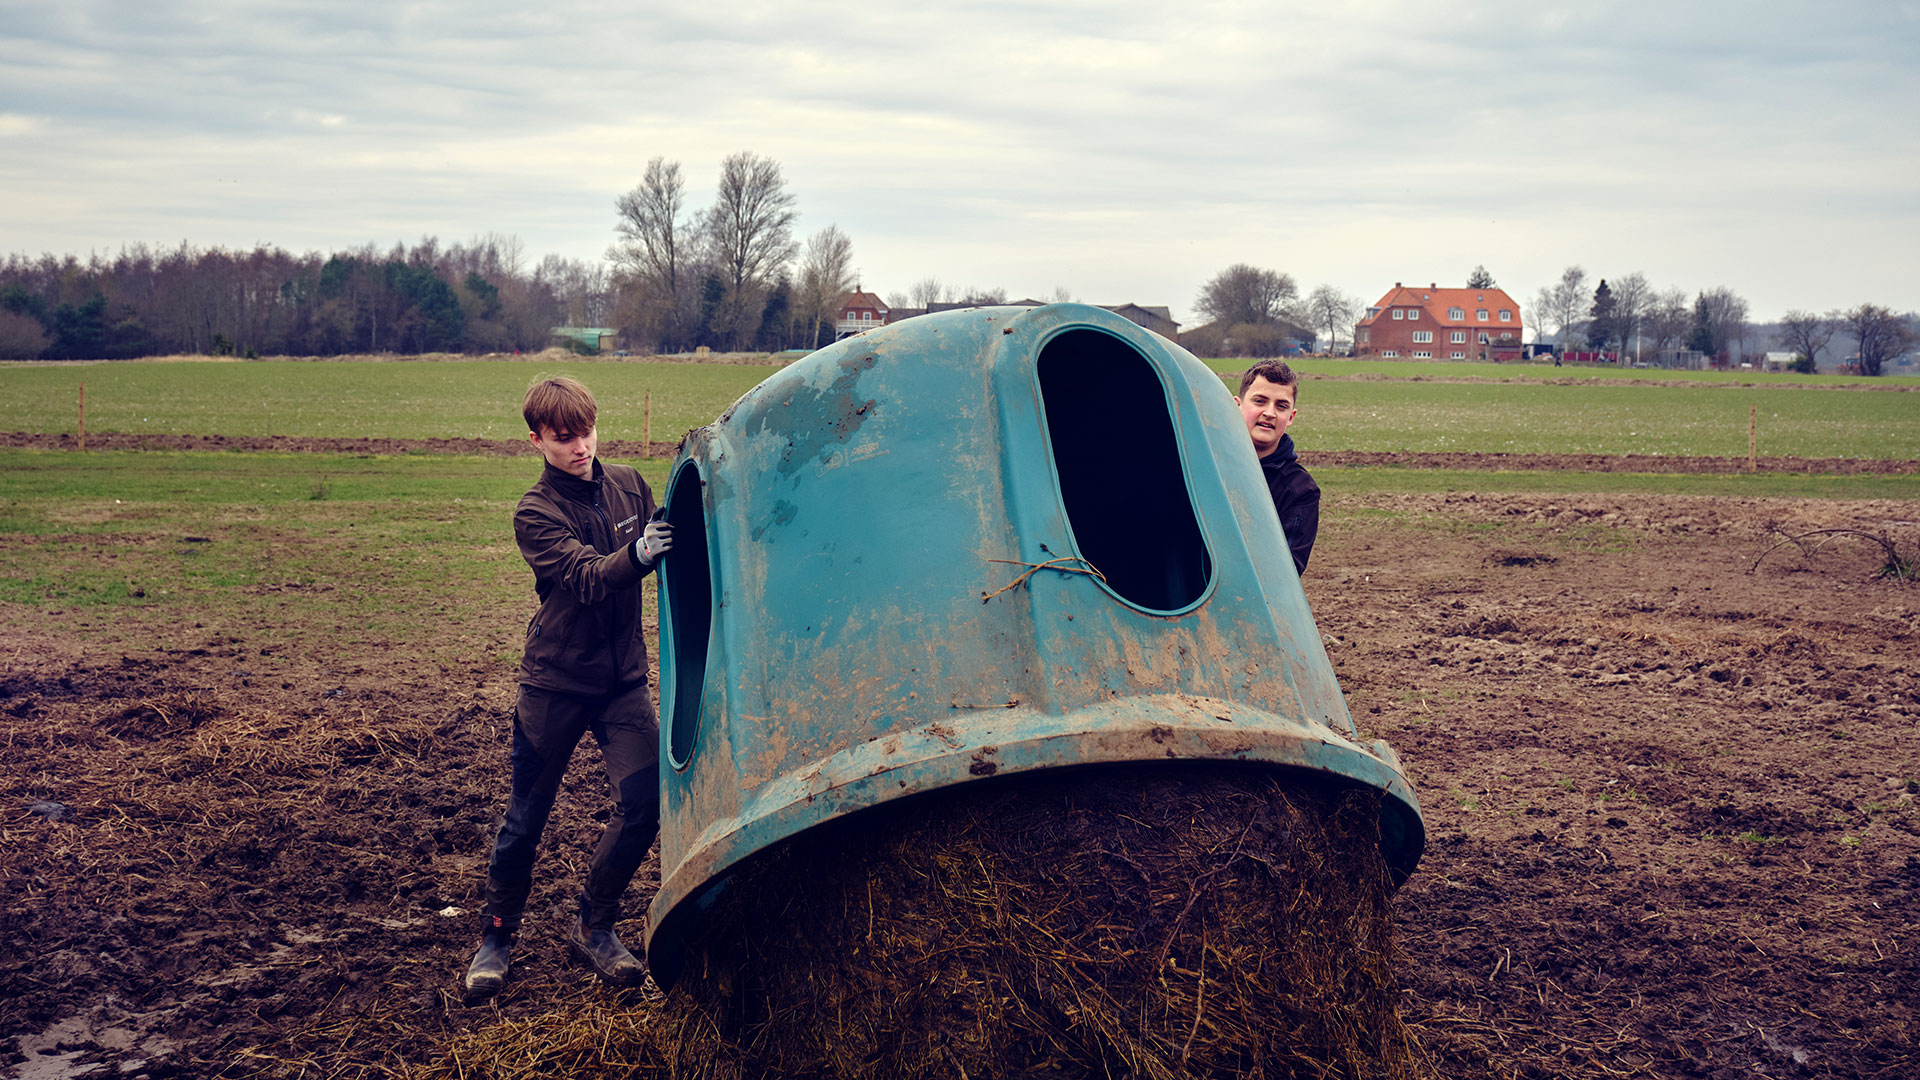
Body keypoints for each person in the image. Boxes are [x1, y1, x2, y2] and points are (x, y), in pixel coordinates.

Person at [464, 375, 675, 1000]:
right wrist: (639, 554)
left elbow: (675, 539)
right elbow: (587, 577)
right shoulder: (535, 512)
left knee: (645, 806)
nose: (580, 446)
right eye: (563, 438)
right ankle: (496, 938)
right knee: (527, 819)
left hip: (622, 684)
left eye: (585, 432)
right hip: (553, 686)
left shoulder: (629, 485)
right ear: (537, 440)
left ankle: (595, 925)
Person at [1233, 359, 1320, 575]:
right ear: (1236, 405)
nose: (1270, 413)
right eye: (1260, 401)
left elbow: (1287, 571)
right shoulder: (1201, 463)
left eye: (1281, 406)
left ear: (1290, 417)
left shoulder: (1301, 490)